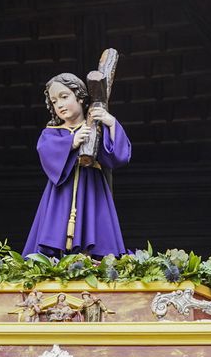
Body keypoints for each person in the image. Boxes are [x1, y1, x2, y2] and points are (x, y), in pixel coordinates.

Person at [22, 72, 130, 258]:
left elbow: (117, 157)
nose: (60, 104)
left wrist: (111, 123)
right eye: (54, 101)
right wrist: (71, 143)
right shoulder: (52, 133)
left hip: (92, 188)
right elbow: (46, 152)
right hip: (61, 193)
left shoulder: (96, 128)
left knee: (95, 230)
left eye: (64, 97)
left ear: (80, 97)